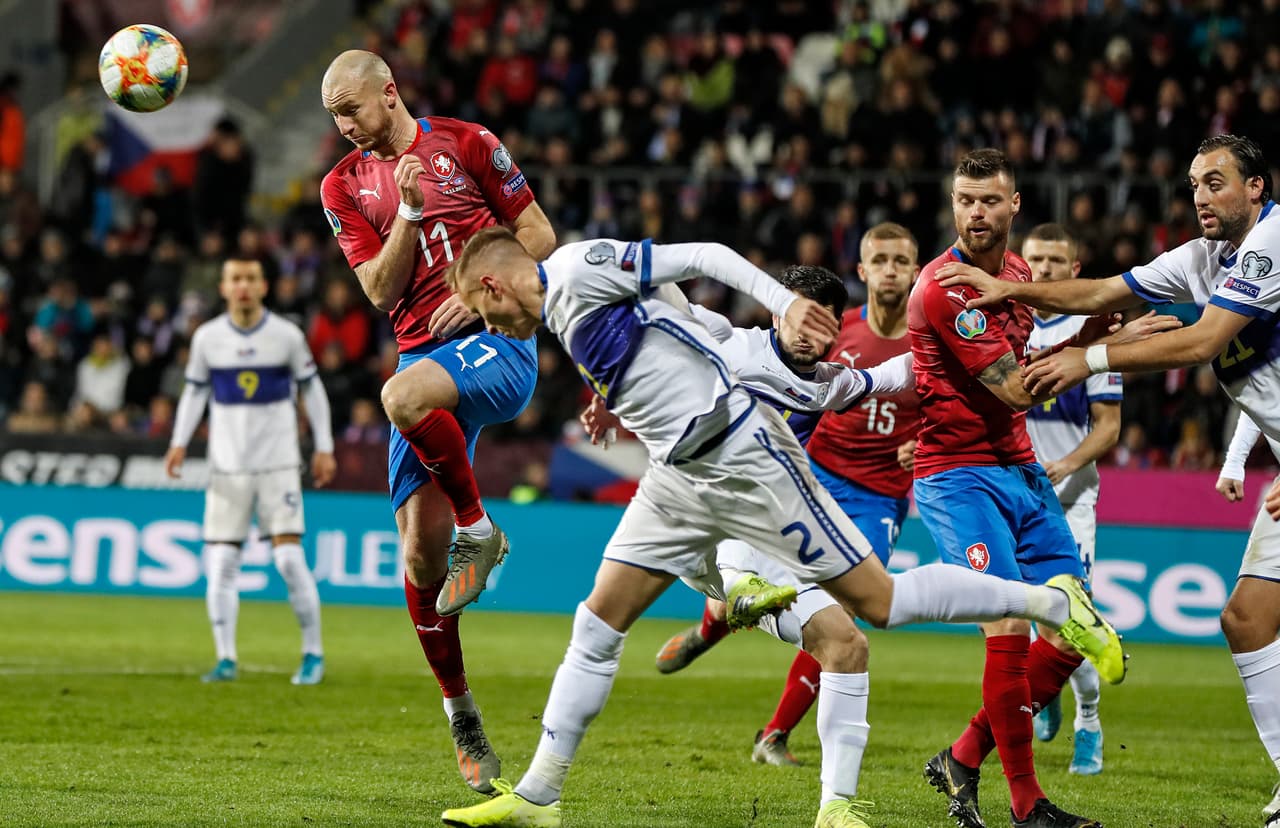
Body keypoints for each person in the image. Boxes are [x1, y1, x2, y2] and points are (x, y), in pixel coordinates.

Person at [437, 228, 1124, 828]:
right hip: (676, 479)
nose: (489, 330)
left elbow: (702, 255)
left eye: (479, 312)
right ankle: (540, 793)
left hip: (743, 456)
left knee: (876, 605)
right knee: (598, 621)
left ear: (494, 286)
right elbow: (667, 318)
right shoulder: (564, 308)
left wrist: (784, 299)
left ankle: (1047, 602)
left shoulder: (581, 265)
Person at [939, 134, 1280, 826]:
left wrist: (1089, 359)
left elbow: (1204, 342)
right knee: (1246, 618)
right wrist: (1012, 287)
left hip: (1045, 488)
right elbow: (1101, 289)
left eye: (1216, 183)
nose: (1200, 197)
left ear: (1256, 188)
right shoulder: (1204, 258)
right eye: (1193, 185)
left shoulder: (1274, 241)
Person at [319, 50, 556, 793]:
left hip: (498, 342)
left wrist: (488, 287)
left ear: (390, 93)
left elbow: (543, 237)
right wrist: (412, 212)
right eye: (333, 115)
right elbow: (378, 290)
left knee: (399, 398)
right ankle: (461, 712)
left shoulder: (470, 142)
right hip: (425, 360)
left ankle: (481, 532)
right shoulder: (342, 186)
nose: (344, 124)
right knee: (420, 557)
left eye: (352, 108)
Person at [909, 150, 1146, 828]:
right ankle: (1027, 805)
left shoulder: (1015, 275)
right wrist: (1097, 350)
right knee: (1009, 622)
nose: (975, 212)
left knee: (1074, 629)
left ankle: (962, 755)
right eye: (963, 199)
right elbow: (1015, 387)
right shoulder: (946, 287)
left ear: (1015, 206)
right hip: (958, 477)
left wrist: (1092, 334)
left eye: (988, 200)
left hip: (1021, 473)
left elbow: (1027, 368)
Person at [653, 223, 922, 769]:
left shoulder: (916, 344)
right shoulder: (803, 332)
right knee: (624, 605)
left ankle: (774, 734)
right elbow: (668, 306)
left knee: (845, 611)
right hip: (807, 479)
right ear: (864, 269)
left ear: (917, 272)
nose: (892, 269)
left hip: (874, 495)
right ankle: (716, 618)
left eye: (903, 260)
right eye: (881, 259)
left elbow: (924, 390)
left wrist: (931, 441)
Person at [164, 258, 336, 686]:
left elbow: (313, 390)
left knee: (289, 558)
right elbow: (194, 393)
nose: (243, 286)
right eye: (235, 279)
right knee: (220, 562)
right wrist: (179, 442)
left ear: (264, 286)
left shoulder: (286, 336)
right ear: (223, 287)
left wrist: (325, 446)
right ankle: (226, 659)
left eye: (251, 279)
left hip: (277, 464)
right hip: (228, 468)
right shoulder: (208, 338)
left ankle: (313, 654)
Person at [1020, 224, 1124, 776]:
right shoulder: (1003, 326)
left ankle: (1089, 719)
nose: (1044, 271)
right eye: (1035, 260)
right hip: (1009, 501)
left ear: (1074, 269)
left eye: (1056, 262)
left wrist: (1064, 464)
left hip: (1068, 501)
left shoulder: (1094, 334)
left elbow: (1108, 428)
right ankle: (1050, 693)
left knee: (1071, 621)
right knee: (1016, 623)